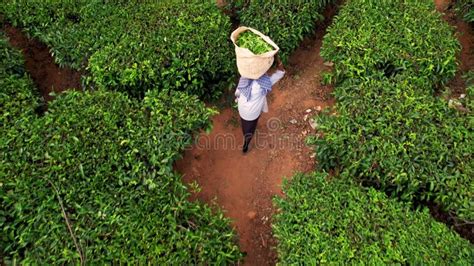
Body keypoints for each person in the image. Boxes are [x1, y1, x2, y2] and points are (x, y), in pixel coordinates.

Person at [235, 57, 285, 153]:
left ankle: (246, 140)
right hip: (252, 113)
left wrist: (237, 99)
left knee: (245, 125)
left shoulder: (244, 78)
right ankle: (246, 144)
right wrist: (278, 59)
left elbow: (237, 92)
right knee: (250, 129)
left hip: (242, 109)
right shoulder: (263, 83)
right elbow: (280, 73)